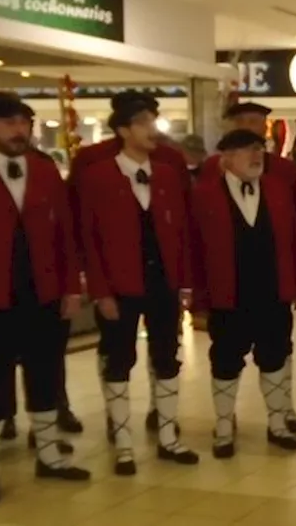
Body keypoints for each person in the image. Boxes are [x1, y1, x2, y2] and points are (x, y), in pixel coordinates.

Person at [0, 95, 90, 506]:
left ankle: (49, 456)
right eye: (8, 123)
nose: (19, 130)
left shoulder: (43, 169)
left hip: (42, 295)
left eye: (24, 122)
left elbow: (65, 234)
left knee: (45, 378)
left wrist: (70, 287)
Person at [79, 94, 198, 475]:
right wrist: (100, 291)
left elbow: (181, 233)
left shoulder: (166, 172)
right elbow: (89, 240)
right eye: (144, 121)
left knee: (167, 357)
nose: (153, 129)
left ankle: (167, 436)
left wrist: (184, 283)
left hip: (162, 283)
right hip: (119, 286)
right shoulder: (98, 175)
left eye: (154, 120)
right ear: (123, 130)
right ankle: (124, 442)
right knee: (119, 359)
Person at [191, 129, 296, 458]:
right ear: (225, 159)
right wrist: (198, 302)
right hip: (228, 295)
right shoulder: (204, 195)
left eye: (259, 149)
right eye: (245, 151)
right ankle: (224, 427)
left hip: (273, 292)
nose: (256, 156)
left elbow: (295, 239)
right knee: (226, 361)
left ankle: (277, 423)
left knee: (275, 357)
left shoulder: (278, 190)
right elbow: (195, 252)